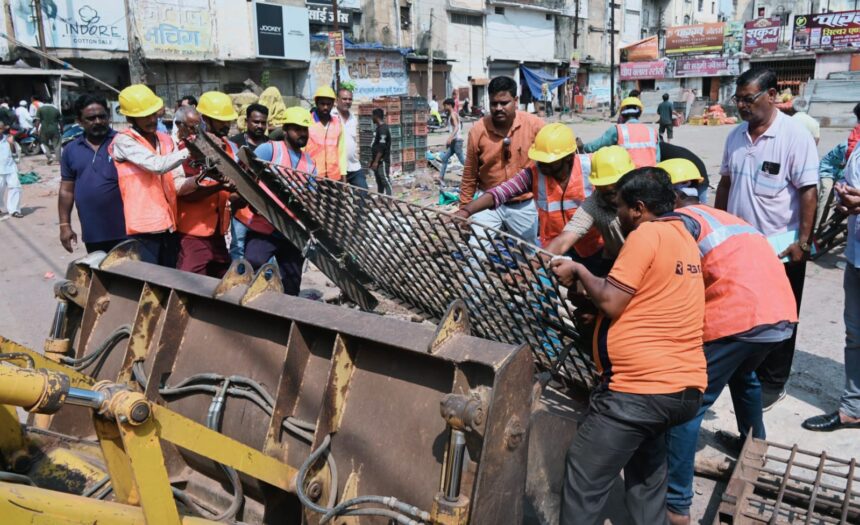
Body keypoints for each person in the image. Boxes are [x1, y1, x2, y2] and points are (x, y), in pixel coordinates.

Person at [552, 167, 705, 525]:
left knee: (584, 475)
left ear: (637, 208)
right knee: (647, 476)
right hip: (682, 390)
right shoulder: (684, 238)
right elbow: (644, 300)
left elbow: (612, 303)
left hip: (637, 393)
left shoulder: (645, 235)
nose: (617, 215)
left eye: (620, 207)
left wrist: (579, 273)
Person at [660, 158, 799, 525]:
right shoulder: (725, 218)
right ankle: (755, 442)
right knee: (745, 377)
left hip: (740, 318)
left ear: (671, 196)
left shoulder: (681, 223)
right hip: (780, 316)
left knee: (689, 403)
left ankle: (676, 504)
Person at [715, 68, 819, 410]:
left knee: (782, 316)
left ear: (772, 96)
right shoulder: (735, 137)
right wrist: (718, 228)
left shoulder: (794, 136)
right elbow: (726, 184)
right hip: (742, 247)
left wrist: (803, 242)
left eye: (749, 99)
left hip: (781, 247)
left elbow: (808, 191)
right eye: (738, 99)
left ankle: (775, 382)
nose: (741, 106)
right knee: (742, 310)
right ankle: (746, 372)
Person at [455, 124, 603, 262]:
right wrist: (466, 211)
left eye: (549, 162)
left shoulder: (592, 167)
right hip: (554, 250)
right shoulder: (534, 174)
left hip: (594, 247)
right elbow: (500, 192)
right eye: (540, 160)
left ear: (569, 158)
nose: (542, 166)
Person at [801, 149, 860, 432]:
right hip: (857, 256)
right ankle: (853, 408)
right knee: (855, 335)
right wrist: (843, 200)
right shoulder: (857, 148)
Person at [111, 84, 191, 267]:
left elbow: (176, 179)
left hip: (169, 222)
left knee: (171, 277)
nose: (151, 119)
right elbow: (156, 165)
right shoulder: (124, 141)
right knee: (151, 281)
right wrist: (189, 152)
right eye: (144, 116)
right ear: (130, 117)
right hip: (144, 227)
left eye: (153, 114)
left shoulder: (164, 139)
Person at [240, 106, 317, 295]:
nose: (302, 134)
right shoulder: (269, 150)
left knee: (292, 283)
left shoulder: (309, 162)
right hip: (264, 228)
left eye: (305, 130)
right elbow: (245, 175)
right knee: (252, 267)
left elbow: (312, 197)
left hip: (291, 232)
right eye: (297, 129)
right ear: (285, 130)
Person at [460, 75, 544, 245]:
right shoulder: (478, 131)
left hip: (523, 203)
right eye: (493, 104)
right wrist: (464, 209)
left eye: (504, 103)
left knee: (528, 258)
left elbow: (550, 167)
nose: (498, 108)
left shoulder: (535, 126)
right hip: (487, 204)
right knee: (476, 253)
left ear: (516, 100)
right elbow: (470, 174)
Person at [174, 92, 238, 278]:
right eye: (221, 121)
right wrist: (219, 186)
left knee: (221, 287)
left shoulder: (228, 149)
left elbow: (232, 194)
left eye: (228, 121)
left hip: (219, 234)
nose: (226, 125)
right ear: (206, 119)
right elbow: (186, 193)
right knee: (188, 285)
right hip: (193, 233)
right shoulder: (187, 151)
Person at [544, 145, 636, 273]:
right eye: (603, 190)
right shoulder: (595, 202)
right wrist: (529, 266)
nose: (611, 198)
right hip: (616, 260)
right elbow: (565, 239)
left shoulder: (647, 200)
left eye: (614, 192)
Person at [58, 94, 126, 253]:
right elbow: (66, 190)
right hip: (93, 232)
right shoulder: (71, 150)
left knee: (132, 274)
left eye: (102, 116)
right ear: (79, 121)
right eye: (91, 118)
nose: (98, 121)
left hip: (128, 230)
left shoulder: (124, 142)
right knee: (101, 274)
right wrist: (64, 225)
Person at [582, 97, 659, 167]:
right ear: (639, 114)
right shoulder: (652, 131)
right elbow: (657, 159)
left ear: (622, 115)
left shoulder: (617, 130)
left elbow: (595, 146)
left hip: (627, 178)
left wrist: (583, 146)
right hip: (651, 176)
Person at [305, 86, 344, 181]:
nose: (325, 107)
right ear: (317, 103)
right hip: (312, 176)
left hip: (334, 177)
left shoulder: (338, 124)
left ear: (333, 104)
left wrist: (344, 178)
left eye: (329, 104)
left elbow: (341, 153)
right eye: (322, 104)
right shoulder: (307, 122)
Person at [333, 87, 365, 189]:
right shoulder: (331, 116)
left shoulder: (353, 118)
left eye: (350, 99)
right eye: (344, 99)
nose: (347, 101)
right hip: (337, 168)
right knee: (338, 199)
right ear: (337, 100)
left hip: (354, 166)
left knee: (363, 192)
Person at [817, 142, 848, 228]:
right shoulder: (847, 147)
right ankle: (817, 228)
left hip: (842, 173)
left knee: (845, 195)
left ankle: (836, 220)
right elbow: (847, 166)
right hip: (828, 171)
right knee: (826, 193)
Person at [438, 98, 465, 184]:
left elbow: (456, 127)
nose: (444, 107)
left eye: (445, 105)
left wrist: (450, 138)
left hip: (457, 141)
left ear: (449, 105)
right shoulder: (453, 114)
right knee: (445, 159)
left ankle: (475, 173)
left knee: (462, 160)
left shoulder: (453, 115)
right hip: (454, 142)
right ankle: (441, 177)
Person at [0, 120, 21, 218]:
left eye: (1, 128)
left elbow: (16, 156)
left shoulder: (8, 139)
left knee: (15, 187)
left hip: (10, 168)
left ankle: (14, 210)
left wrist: (11, 144)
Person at [369, 108, 392, 195]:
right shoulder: (378, 128)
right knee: (379, 182)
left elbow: (381, 147)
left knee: (385, 180)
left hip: (382, 161)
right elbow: (376, 145)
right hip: (377, 161)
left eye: (372, 116)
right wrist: (372, 161)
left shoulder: (383, 129)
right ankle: (381, 200)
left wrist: (376, 161)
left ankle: (390, 201)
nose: (372, 118)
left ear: (376, 116)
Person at [34, 96, 62, 164]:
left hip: (44, 129)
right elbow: (60, 121)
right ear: (51, 101)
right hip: (55, 129)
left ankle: (49, 157)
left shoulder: (40, 109)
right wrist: (62, 129)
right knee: (57, 144)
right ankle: (58, 159)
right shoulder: (56, 109)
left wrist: (36, 129)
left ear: (43, 101)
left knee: (44, 143)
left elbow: (37, 121)